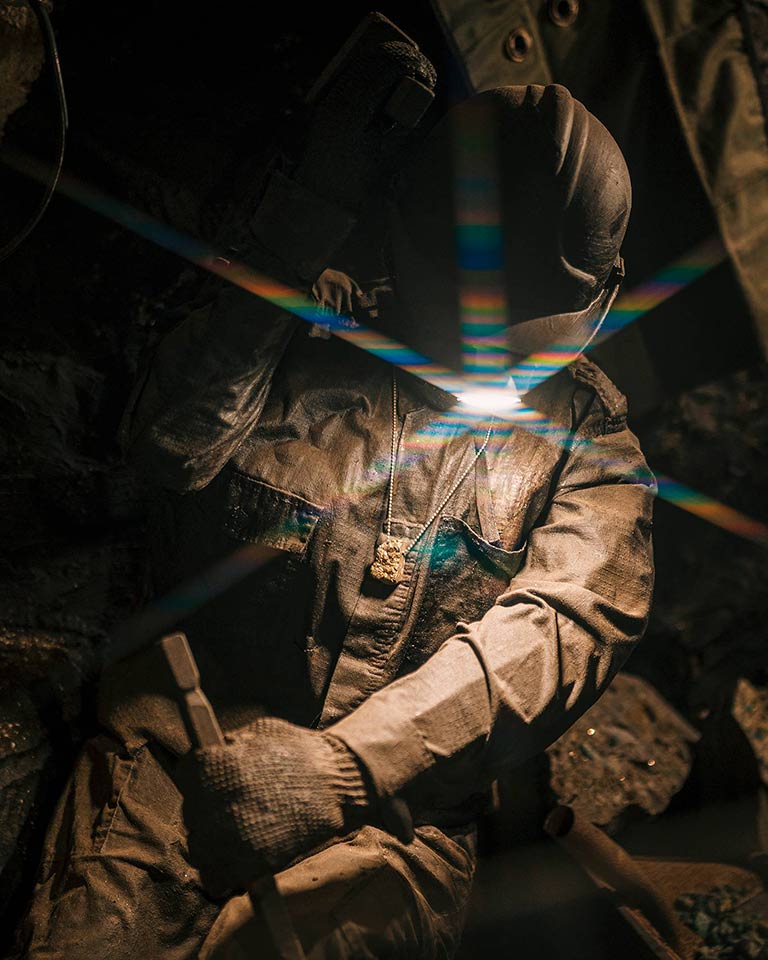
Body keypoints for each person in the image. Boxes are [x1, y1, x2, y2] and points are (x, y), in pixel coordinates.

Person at [17, 33, 654, 960]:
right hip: (174, 766)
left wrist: (348, 770)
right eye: (466, 318)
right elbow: (171, 451)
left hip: (398, 822)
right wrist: (285, 251)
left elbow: (569, 621)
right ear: (401, 232)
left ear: (601, 302)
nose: (488, 358)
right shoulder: (307, 331)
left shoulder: (589, 449)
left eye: (520, 338)